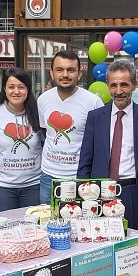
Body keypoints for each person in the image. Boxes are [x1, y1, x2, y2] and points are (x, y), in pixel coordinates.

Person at [77, 60, 138, 231]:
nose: (119, 91)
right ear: (108, 86)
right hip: (98, 193)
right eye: (113, 85)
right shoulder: (95, 117)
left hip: (133, 194)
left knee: (131, 249)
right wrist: (83, 196)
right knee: (100, 246)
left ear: (134, 85)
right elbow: (85, 159)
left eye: (124, 85)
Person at [37, 50, 105, 204]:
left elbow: (100, 142)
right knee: (47, 222)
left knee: (78, 224)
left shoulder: (93, 102)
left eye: (71, 70)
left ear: (79, 74)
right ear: (52, 73)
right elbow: (45, 131)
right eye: (59, 70)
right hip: (48, 176)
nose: (65, 74)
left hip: (79, 178)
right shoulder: (43, 100)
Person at [0, 68, 43, 212]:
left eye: (21, 87)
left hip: (33, 185)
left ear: (28, 89)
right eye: (11, 87)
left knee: (32, 230)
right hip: (3, 187)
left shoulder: (38, 112)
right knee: (6, 229)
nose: (16, 91)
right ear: (4, 89)